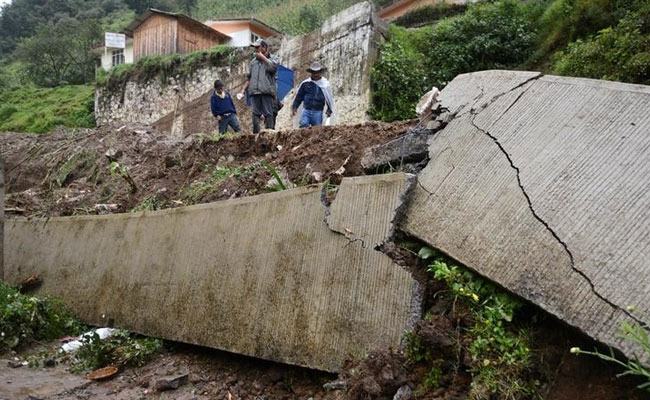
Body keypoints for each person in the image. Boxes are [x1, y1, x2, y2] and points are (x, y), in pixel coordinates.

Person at [239, 38, 278, 133]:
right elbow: (249, 77)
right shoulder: (253, 62)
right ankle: (256, 136)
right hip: (255, 92)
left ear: (264, 47)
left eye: (258, 47)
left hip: (266, 92)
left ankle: (270, 134)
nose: (256, 49)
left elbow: (273, 68)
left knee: (268, 114)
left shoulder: (273, 58)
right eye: (255, 48)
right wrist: (243, 90)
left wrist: (263, 58)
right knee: (255, 114)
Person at [291, 61, 335, 128]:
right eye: (314, 72)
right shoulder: (305, 84)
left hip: (318, 112)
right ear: (311, 73)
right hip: (306, 110)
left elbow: (329, 99)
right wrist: (295, 107)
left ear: (320, 72)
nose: (316, 74)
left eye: (317, 72)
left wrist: (329, 109)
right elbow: (299, 96)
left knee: (316, 131)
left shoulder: (325, 85)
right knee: (303, 126)